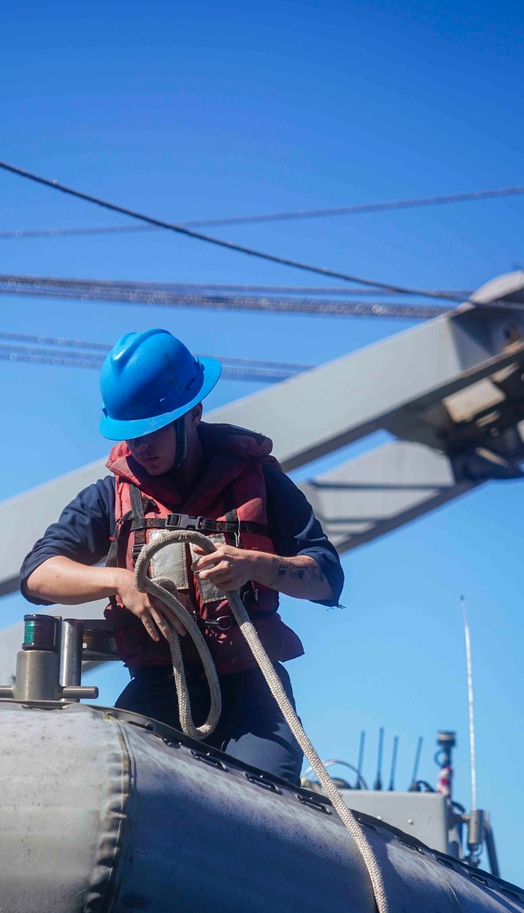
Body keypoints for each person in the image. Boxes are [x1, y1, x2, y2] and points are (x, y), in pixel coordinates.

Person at [21, 328, 343, 783]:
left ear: (193, 414)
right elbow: (37, 574)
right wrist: (120, 582)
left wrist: (254, 565)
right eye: (130, 435)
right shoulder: (110, 496)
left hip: (255, 697)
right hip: (158, 688)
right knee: (124, 782)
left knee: (264, 802)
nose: (140, 447)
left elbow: (328, 578)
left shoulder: (262, 485)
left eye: (151, 431)